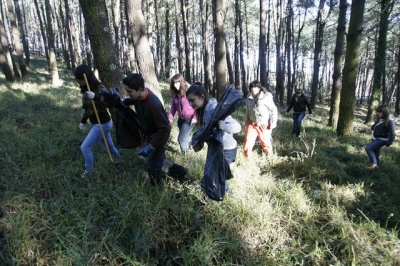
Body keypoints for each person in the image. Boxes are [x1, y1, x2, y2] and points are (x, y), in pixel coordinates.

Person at [186, 83, 241, 195]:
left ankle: (225, 194)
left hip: (227, 149)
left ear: (202, 97)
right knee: (217, 174)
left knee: (218, 174)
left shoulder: (216, 110)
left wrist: (225, 127)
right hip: (217, 149)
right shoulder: (204, 111)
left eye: (192, 100)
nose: (191, 104)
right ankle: (221, 193)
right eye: (189, 102)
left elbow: (237, 127)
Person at [121, 73, 170, 185]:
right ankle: (180, 173)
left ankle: (155, 188)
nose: (127, 94)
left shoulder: (152, 104)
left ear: (139, 89)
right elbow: (134, 101)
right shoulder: (140, 96)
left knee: (152, 164)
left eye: (129, 91)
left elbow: (165, 128)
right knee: (160, 160)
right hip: (151, 133)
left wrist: (152, 146)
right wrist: (124, 102)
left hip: (159, 136)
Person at [73, 64, 121, 178]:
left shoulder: (99, 88)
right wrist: (83, 121)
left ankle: (89, 171)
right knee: (109, 146)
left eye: (80, 78)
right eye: (77, 79)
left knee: (85, 147)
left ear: (86, 77)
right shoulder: (85, 90)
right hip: (97, 123)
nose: (78, 81)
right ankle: (120, 160)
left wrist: (96, 97)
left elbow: (109, 102)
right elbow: (88, 109)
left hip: (103, 123)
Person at [244, 80, 278, 158]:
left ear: (259, 88)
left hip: (263, 124)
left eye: (255, 87)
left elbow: (273, 110)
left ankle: (270, 158)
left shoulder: (265, 98)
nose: (253, 89)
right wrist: (246, 121)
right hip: (252, 124)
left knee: (266, 143)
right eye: (252, 87)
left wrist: (273, 123)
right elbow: (247, 110)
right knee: (248, 142)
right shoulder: (249, 97)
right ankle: (246, 159)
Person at [167, 74, 197, 153]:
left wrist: (195, 117)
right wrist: (170, 118)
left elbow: (197, 106)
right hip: (180, 120)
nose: (175, 85)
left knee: (181, 139)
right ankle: (193, 141)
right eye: (174, 83)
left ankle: (185, 154)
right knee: (185, 136)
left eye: (177, 82)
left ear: (181, 82)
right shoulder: (175, 94)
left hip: (189, 119)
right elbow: (173, 108)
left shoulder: (189, 92)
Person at [365, 104, 396, 169]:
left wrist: (388, 145)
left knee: (368, 148)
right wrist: (371, 129)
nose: (378, 113)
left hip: (382, 139)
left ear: (384, 112)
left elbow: (392, 134)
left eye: (379, 112)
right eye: (378, 112)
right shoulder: (381, 117)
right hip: (375, 137)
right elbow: (376, 123)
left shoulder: (390, 120)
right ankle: (377, 168)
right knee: (375, 152)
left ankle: (373, 164)